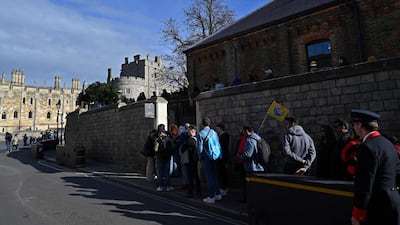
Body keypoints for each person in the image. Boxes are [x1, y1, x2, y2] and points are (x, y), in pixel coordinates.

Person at [350, 109, 400, 225]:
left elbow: (365, 185)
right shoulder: (388, 144)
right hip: (393, 202)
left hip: (377, 208)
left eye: (354, 124)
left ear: (360, 125)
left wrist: (358, 215)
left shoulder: (367, 147)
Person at [197, 117, 222, 204]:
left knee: (209, 177)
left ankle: (211, 196)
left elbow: (199, 149)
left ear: (202, 124)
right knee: (215, 175)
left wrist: (200, 158)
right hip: (215, 156)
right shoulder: (214, 132)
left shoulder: (201, 133)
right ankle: (218, 194)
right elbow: (217, 143)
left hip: (206, 157)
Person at [180, 125, 201, 198]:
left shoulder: (191, 140)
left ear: (192, 131)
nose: (187, 132)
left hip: (191, 160)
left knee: (191, 177)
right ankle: (198, 191)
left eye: (188, 130)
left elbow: (183, 148)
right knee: (195, 176)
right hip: (194, 160)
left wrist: (184, 145)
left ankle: (191, 192)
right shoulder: (197, 139)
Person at [154, 127, 174, 192]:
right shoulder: (169, 139)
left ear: (160, 133)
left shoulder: (157, 140)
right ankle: (168, 186)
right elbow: (172, 148)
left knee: (160, 173)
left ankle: (160, 186)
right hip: (167, 158)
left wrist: (157, 154)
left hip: (160, 158)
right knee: (167, 173)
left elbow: (155, 149)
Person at [215, 123, 230, 196]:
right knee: (222, 173)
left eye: (217, 129)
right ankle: (223, 187)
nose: (216, 130)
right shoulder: (221, 136)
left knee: (222, 173)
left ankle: (224, 188)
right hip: (222, 157)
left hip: (222, 157)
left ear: (220, 129)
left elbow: (222, 148)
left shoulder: (223, 137)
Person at [234, 127, 247, 202]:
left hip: (241, 162)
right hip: (243, 162)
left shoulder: (242, 140)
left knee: (244, 181)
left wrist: (237, 157)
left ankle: (245, 197)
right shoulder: (245, 140)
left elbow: (238, 151)